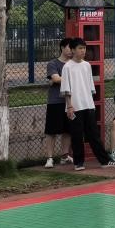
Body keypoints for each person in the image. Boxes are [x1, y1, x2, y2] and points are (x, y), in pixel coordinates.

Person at [61, 37, 113, 171]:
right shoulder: (67, 67)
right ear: (73, 50)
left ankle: (105, 160)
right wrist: (69, 106)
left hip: (88, 105)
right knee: (77, 135)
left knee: (94, 135)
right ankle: (78, 163)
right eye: (80, 48)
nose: (83, 51)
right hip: (75, 106)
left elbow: (90, 86)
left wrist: (91, 104)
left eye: (84, 48)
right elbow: (66, 88)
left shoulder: (87, 65)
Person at [43, 38, 74, 168]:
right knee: (51, 131)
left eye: (73, 48)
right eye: (69, 47)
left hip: (71, 102)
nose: (71, 50)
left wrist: (60, 79)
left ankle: (64, 156)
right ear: (62, 47)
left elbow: (58, 80)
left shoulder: (74, 63)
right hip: (55, 101)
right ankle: (49, 158)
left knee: (68, 130)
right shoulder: (53, 63)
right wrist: (71, 79)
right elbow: (55, 79)